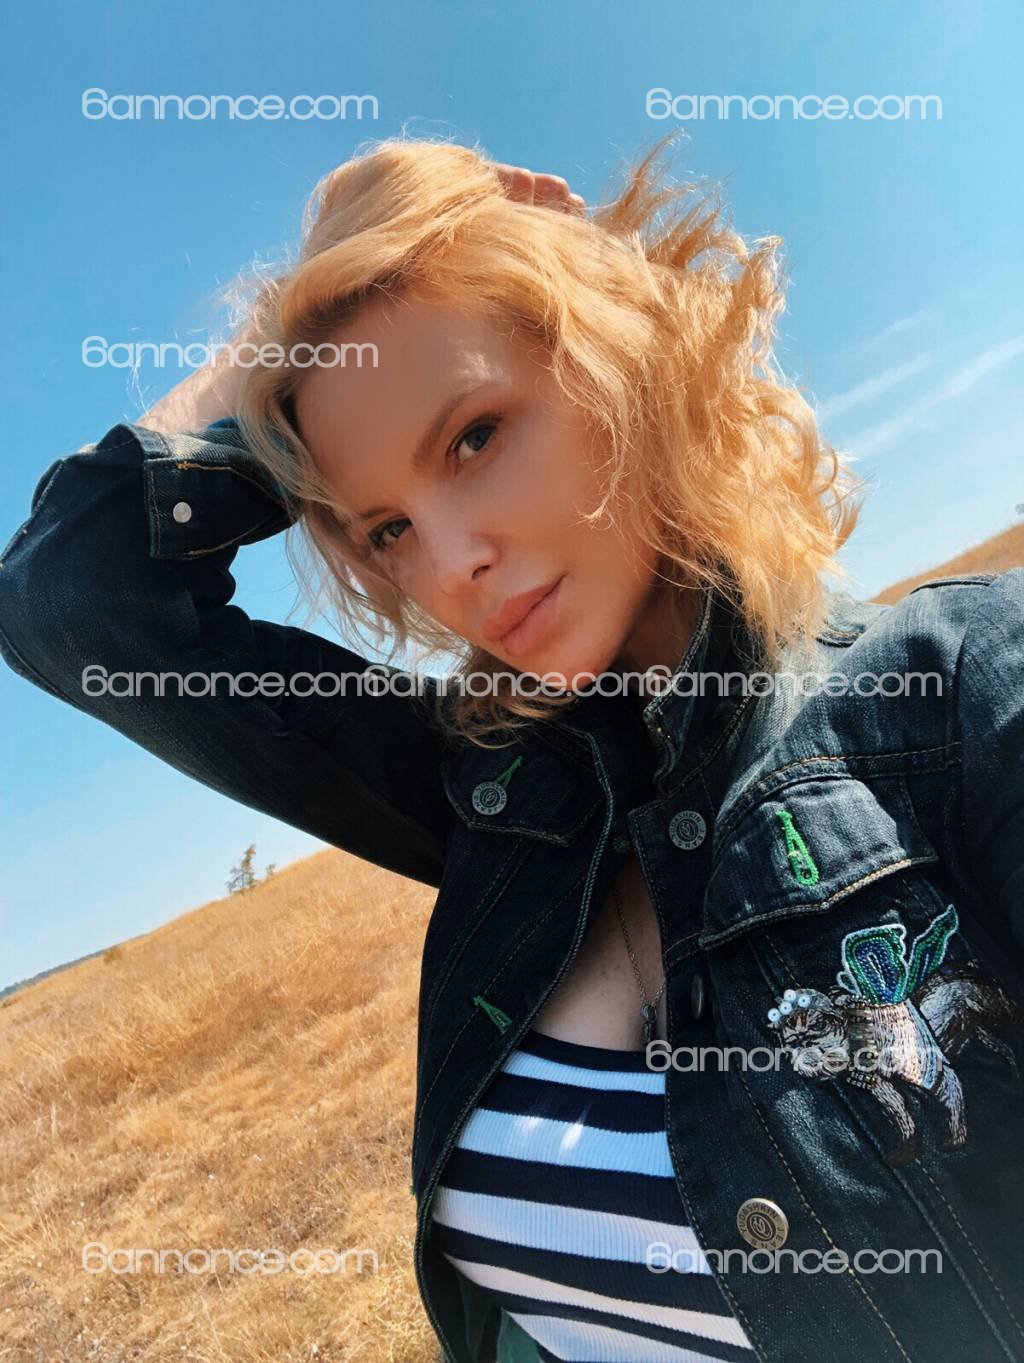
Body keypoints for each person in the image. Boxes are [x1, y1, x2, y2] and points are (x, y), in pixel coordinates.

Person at [2, 134, 1022, 1363]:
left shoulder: (961, 689)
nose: (450, 567)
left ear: (616, 364)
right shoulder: (497, 798)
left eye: (474, 436)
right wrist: (285, 328)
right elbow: (70, 599)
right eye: (385, 528)